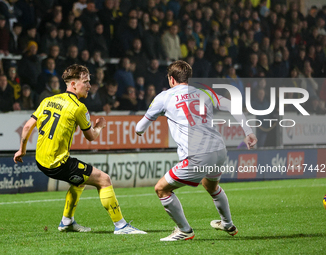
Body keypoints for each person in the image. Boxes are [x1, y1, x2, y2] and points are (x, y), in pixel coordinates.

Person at [13, 64, 146, 235]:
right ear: (74, 84)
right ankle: (121, 226)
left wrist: (21, 150)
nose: (89, 86)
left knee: (80, 180)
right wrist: (99, 126)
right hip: (57, 163)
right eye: (86, 82)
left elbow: (27, 126)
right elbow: (91, 137)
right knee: (104, 179)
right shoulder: (78, 108)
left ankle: (67, 222)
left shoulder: (48, 100)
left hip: (40, 160)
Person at [135, 60, 257, 241]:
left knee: (161, 189)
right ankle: (227, 224)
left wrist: (161, 113)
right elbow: (232, 105)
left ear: (171, 79)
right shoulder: (204, 92)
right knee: (210, 185)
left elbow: (139, 129)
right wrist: (248, 132)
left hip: (197, 155)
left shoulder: (164, 97)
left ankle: (184, 230)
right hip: (218, 150)